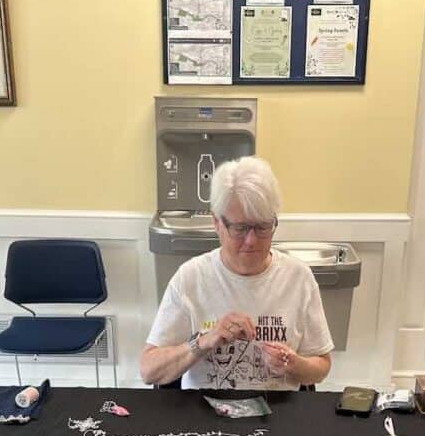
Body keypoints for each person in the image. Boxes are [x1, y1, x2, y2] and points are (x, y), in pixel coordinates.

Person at [140, 156, 334, 390]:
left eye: (262, 227)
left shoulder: (298, 278)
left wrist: (293, 363)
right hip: (205, 415)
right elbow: (149, 370)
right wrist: (202, 342)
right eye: (240, 228)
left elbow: (321, 366)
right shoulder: (190, 278)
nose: (251, 241)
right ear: (216, 223)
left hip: (278, 414)